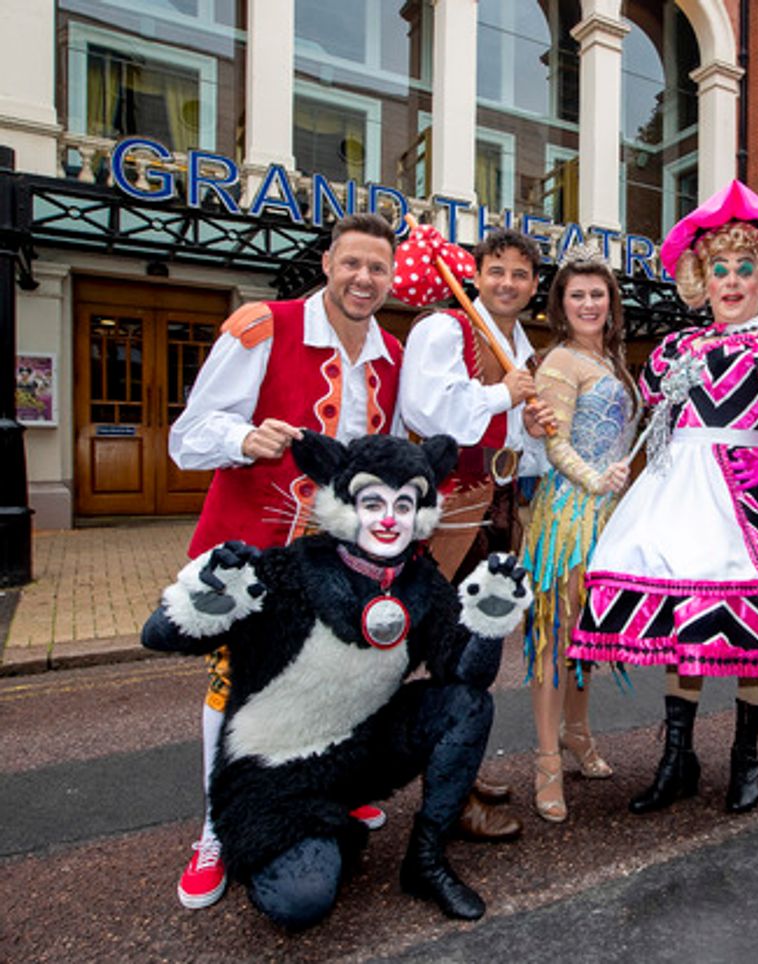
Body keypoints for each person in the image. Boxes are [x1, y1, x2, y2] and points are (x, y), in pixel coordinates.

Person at [569, 181, 758, 815]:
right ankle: (677, 758)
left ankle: (746, 758)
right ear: (700, 279)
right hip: (677, 497)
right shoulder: (675, 349)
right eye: (719, 270)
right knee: (684, 626)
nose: (732, 282)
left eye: (744, 269)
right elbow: (657, 421)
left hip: (746, 500)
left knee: (751, 630)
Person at [141, 431, 533, 928]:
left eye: (404, 503)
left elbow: (468, 676)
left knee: (467, 706)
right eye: (373, 502)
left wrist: (489, 620)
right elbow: (159, 637)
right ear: (345, 503)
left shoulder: (422, 582)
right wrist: (202, 602)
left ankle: (425, 860)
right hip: (275, 772)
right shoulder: (289, 569)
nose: (389, 518)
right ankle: (295, 836)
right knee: (301, 902)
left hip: (357, 752)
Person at [166, 212, 403, 910]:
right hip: (253, 550)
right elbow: (189, 436)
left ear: (391, 278)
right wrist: (244, 436)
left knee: (331, 685)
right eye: (352, 263)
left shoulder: (388, 351)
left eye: (377, 268)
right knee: (235, 688)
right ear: (327, 262)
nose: (364, 278)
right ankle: (215, 829)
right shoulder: (260, 326)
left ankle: (328, 791)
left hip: (336, 561)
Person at [396, 225, 556, 841]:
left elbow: (515, 442)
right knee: (452, 659)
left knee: (477, 656)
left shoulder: (520, 344)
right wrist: (500, 393)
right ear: (477, 274)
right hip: (455, 520)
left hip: (502, 514)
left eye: (520, 275)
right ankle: (448, 796)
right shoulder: (445, 328)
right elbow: (423, 410)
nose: (507, 283)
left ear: (533, 285)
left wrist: (533, 431)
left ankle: (458, 767)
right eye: (497, 271)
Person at [518, 246, 639, 821]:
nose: (590, 303)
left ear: (610, 303)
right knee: (554, 637)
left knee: (591, 635)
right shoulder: (561, 362)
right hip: (567, 517)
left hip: (609, 515)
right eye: (578, 295)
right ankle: (545, 759)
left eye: (598, 294)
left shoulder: (613, 362)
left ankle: (578, 732)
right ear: (561, 307)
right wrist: (596, 480)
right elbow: (554, 442)